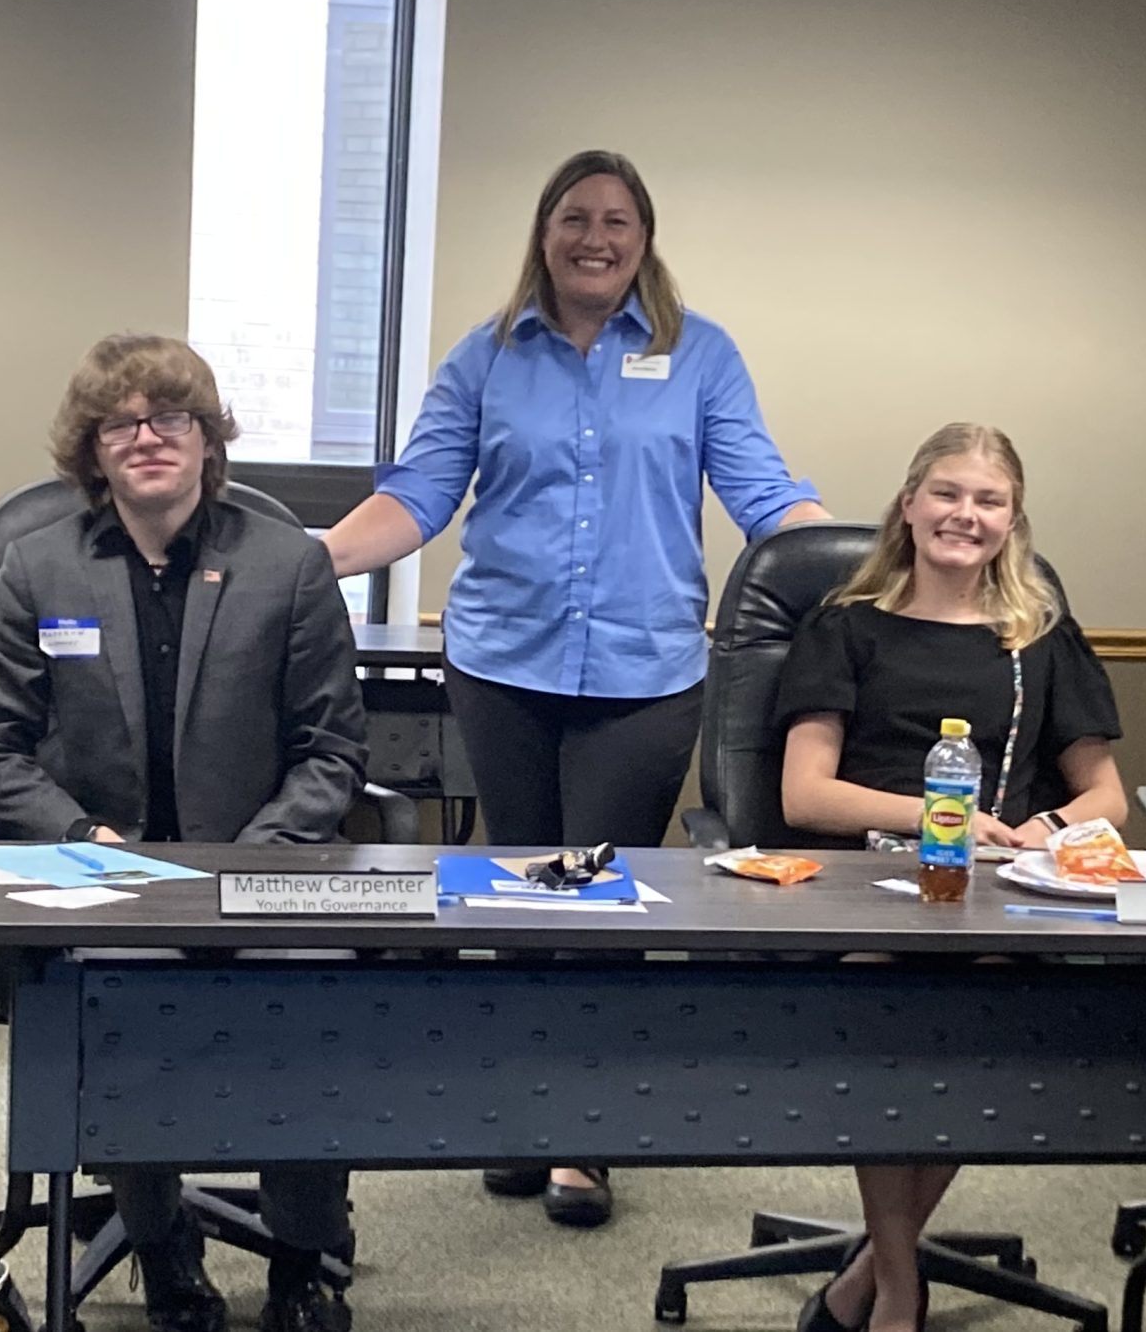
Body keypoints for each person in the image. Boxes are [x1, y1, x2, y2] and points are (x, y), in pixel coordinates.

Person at [322, 148, 829, 1226]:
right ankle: (521, 1107)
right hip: (503, 662)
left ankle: (584, 1136)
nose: (595, 238)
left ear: (645, 241)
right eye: (574, 218)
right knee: (519, 894)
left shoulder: (700, 356)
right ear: (543, 235)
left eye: (617, 222)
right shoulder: (486, 357)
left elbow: (762, 493)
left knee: (597, 898)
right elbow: (418, 497)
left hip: (645, 676)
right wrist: (312, 557)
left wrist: (861, 565)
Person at [0, 333, 365, 1332]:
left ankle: (303, 1256)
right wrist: (82, 835)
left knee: (316, 992)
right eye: (120, 423)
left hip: (259, 868)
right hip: (102, 872)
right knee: (121, 986)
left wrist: (251, 857)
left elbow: (332, 750)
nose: (147, 438)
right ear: (91, 451)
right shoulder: (37, 567)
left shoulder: (288, 565)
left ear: (207, 438)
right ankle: (159, 1238)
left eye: (169, 418)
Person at [773, 422, 1125, 1332]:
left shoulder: (1039, 638)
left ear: (1012, 522)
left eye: (988, 501)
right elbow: (806, 795)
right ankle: (895, 1288)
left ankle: (867, 1274)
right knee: (885, 1012)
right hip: (867, 890)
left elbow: (1108, 796)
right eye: (947, 493)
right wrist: (940, 820)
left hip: (998, 895)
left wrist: (1037, 829)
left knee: (988, 1023)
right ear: (909, 504)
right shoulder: (845, 627)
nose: (964, 515)